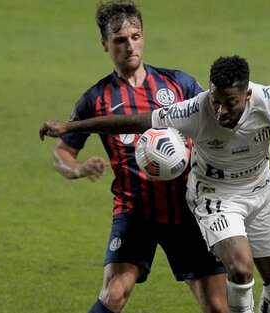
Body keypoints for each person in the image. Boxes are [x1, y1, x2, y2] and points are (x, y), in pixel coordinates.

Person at [39, 55, 270, 313]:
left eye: (230, 103)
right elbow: (136, 121)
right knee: (240, 268)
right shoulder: (195, 110)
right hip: (213, 194)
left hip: (261, 193)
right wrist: (72, 125)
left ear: (248, 95)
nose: (220, 110)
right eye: (216, 100)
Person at [43, 1, 229, 313]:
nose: (130, 46)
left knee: (217, 306)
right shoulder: (96, 99)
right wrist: (77, 169)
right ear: (105, 45)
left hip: (188, 210)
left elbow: (215, 127)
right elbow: (62, 151)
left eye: (135, 36)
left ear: (143, 37)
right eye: (119, 40)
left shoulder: (179, 84)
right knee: (114, 294)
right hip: (135, 211)